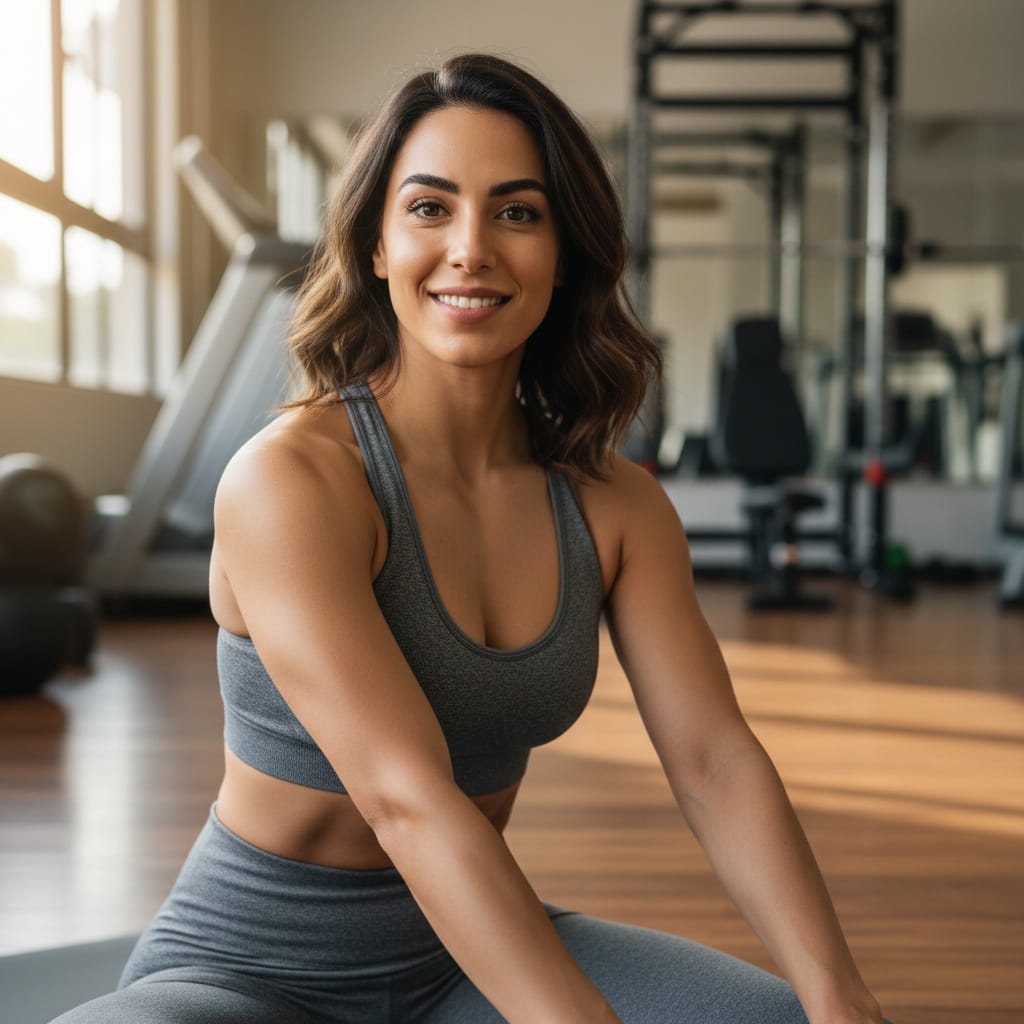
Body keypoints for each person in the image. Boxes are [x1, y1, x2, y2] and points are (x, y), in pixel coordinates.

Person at [54, 53, 887, 1024]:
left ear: (564, 251)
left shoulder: (616, 506)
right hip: (248, 972)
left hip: (462, 962)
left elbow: (713, 762)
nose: (471, 249)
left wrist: (839, 995)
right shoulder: (294, 480)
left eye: (517, 212)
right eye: (429, 208)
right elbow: (405, 796)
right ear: (374, 245)